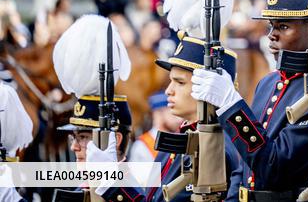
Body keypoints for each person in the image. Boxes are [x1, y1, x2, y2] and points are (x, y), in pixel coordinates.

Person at [192, 0, 308, 199]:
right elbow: (244, 166)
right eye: (271, 26)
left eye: (284, 26)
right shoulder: (267, 83)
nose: (272, 35)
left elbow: (274, 167)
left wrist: (232, 106)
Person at [98, 34, 242, 202]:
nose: (168, 90)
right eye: (170, 81)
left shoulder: (218, 148)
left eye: (180, 83)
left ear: (208, 89)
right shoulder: (175, 143)